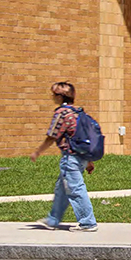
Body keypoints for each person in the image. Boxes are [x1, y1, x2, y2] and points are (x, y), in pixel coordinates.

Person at [28, 79, 98, 232]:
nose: (52, 97)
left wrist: (38, 152)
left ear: (60, 97)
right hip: (81, 157)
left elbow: (52, 136)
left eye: (54, 94)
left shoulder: (62, 113)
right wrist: (89, 161)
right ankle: (53, 220)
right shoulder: (78, 113)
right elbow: (86, 138)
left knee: (75, 189)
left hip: (70, 158)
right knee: (62, 189)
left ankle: (88, 223)